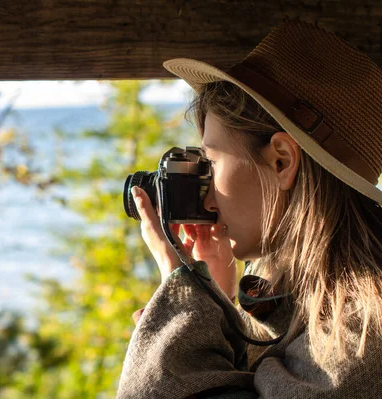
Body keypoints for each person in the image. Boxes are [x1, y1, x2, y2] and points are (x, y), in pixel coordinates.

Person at [116, 20, 382, 398]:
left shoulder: (362, 331)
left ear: (281, 161)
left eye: (213, 163)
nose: (207, 199)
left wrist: (184, 298)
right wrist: (216, 309)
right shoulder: (320, 303)